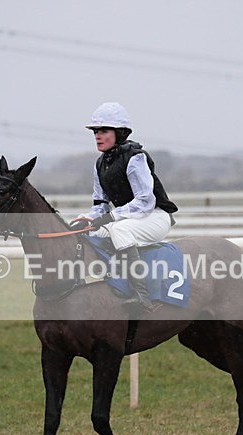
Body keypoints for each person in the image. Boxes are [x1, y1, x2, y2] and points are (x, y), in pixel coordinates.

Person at [70, 102, 178, 312]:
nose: (98, 136)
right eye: (95, 132)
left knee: (119, 230)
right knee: (87, 232)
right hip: (128, 218)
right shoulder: (100, 163)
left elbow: (145, 202)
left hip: (154, 217)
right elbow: (100, 205)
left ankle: (142, 295)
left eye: (103, 131)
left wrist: (111, 217)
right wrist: (85, 220)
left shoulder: (135, 158)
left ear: (118, 133)